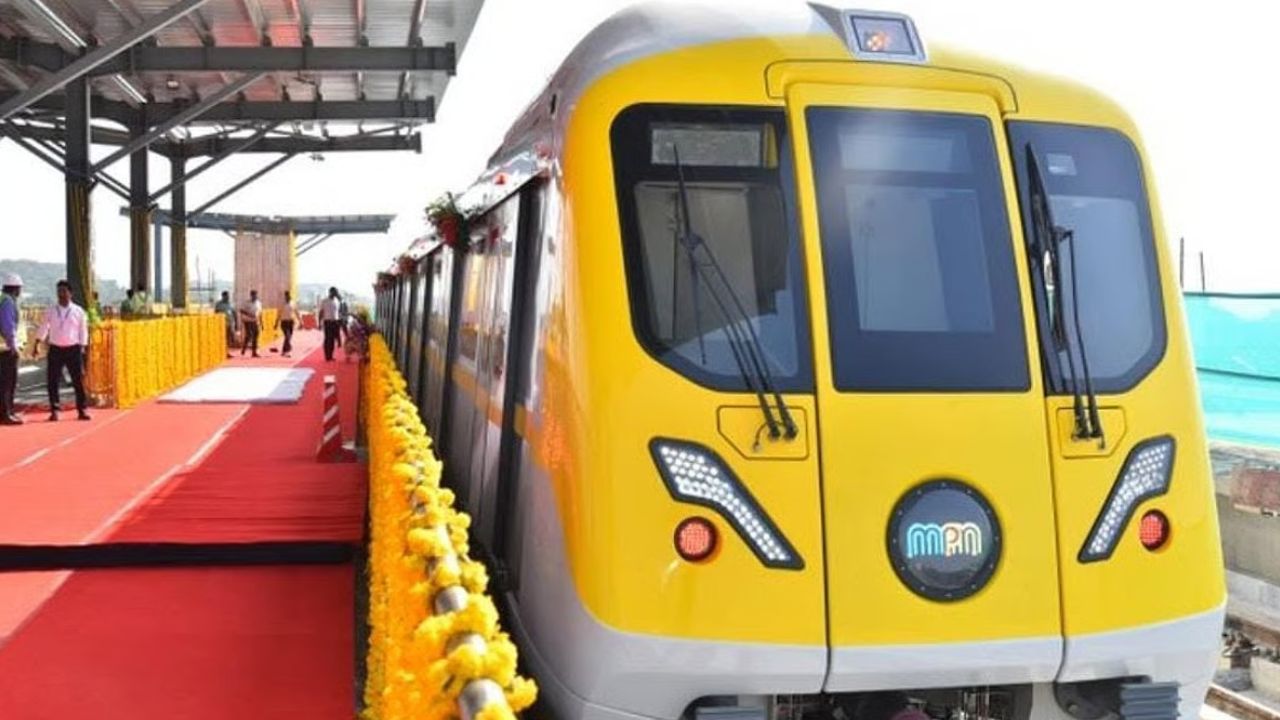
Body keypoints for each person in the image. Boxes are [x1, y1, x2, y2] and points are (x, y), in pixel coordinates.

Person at [33, 280, 90, 422]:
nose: (61, 295)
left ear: (70, 293)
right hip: (56, 349)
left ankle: (82, 409)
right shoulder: (51, 310)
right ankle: (55, 410)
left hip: (73, 349)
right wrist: (37, 343)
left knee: (78, 380)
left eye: (64, 291)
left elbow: (83, 331)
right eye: (59, 292)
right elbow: (44, 327)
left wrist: (83, 348)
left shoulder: (78, 311)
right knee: (52, 380)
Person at [0, 273, 23, 425]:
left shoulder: (2, 299)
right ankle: (6, 413)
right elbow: (8, 326)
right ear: (15, 288)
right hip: (6, 348)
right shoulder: (8, 301)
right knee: (8, 383)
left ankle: (6, 411)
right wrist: (14, 345)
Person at [319, 287, 342, 362]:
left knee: (333, 339)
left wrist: (339, 322)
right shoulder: (324, 301)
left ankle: (331, 355)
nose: (335, 294)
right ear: (330, 292)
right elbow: (321, 312)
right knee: (327, 339)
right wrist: (319, 322)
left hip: (335, 322)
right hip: (327, 322)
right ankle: (327, 356)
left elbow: (338, 313)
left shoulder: (337, 301)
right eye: (334, 292)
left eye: (336, 292)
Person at [239, 290, 262, 358]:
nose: (255, 296)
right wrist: (249, 314)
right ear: (251, 295)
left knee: (256, 335)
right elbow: (241, 310)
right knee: (249, 335)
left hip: (255, 321)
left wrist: (261, 322)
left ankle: (254, 352)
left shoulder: (258, 303)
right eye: (253, 295)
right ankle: (244, 348)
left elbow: (260, 313)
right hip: (248, 321)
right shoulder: (246, 303)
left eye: (256, 295)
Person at [214, 291, 237, 358]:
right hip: (222, 324)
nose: (227, 297)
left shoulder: (231, 304)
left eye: (228, 296)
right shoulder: (218, 304)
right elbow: (216, 313)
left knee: (229, 339)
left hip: (231, 324)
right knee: (222, 339)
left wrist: (236, 325)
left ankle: (227, 352)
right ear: (223, 296)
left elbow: (234, 314)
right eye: (226, 296)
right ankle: (221, 352)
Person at [276, 290, 297, 358]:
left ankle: (285, 350)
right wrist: (276, 323)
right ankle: (286, 351)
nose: (289, 297)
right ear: (285, 296)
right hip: (284, 322)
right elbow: (279, 314)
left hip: (291, 322)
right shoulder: (282, 304)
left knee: (289, 337)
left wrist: (301, 321)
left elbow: (296, 312)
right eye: (287, 295)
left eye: (289, 295)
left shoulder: (293, 303)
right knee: (287, 336)